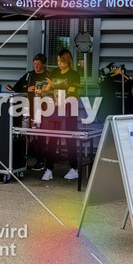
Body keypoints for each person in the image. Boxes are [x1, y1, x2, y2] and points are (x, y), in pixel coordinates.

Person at [40, 49, 81, 181]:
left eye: (61, 61)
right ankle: (48, 169)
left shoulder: (74, 74)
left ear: (67, 61)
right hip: (55, 109)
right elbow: (48, 88)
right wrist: (44, 89)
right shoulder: (55, 72)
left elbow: (72, 91)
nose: (59, 63)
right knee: (52, 138)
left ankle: (74, 168)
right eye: (58, 61)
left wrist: (55, 86)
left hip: (70, 109)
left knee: (70, 138)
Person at [13, 53, 51, 171]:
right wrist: (27, 89)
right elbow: (16, 87)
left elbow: (53, 91)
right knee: (25, 134)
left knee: (41, 135)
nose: (36, 67)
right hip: (28, 109)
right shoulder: (29, 75)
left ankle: (41, 161)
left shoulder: (48, 76)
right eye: (34, 64)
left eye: (38, 64)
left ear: (44, 64)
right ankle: (22, 159)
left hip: (43, 110)